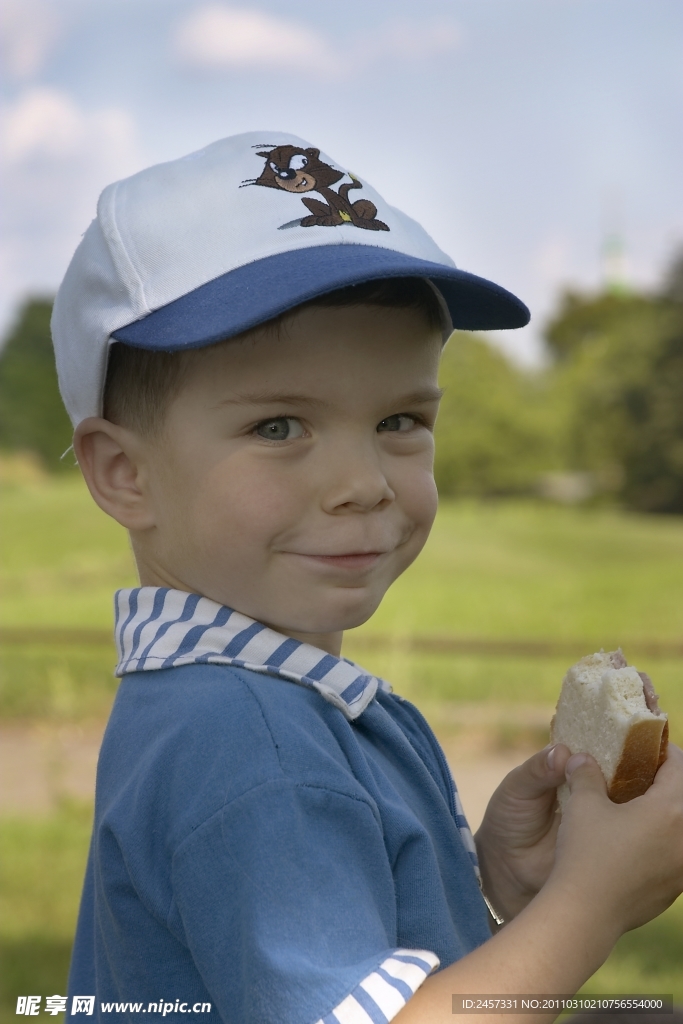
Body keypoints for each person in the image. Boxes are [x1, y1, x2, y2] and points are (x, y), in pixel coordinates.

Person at [51, 131, 683, 1024]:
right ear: (125, 473)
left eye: (397, 418)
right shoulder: (256, 744)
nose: (362, 483)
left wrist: (499, 888)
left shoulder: (238, 701)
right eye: (278, 427)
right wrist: (591, 905)